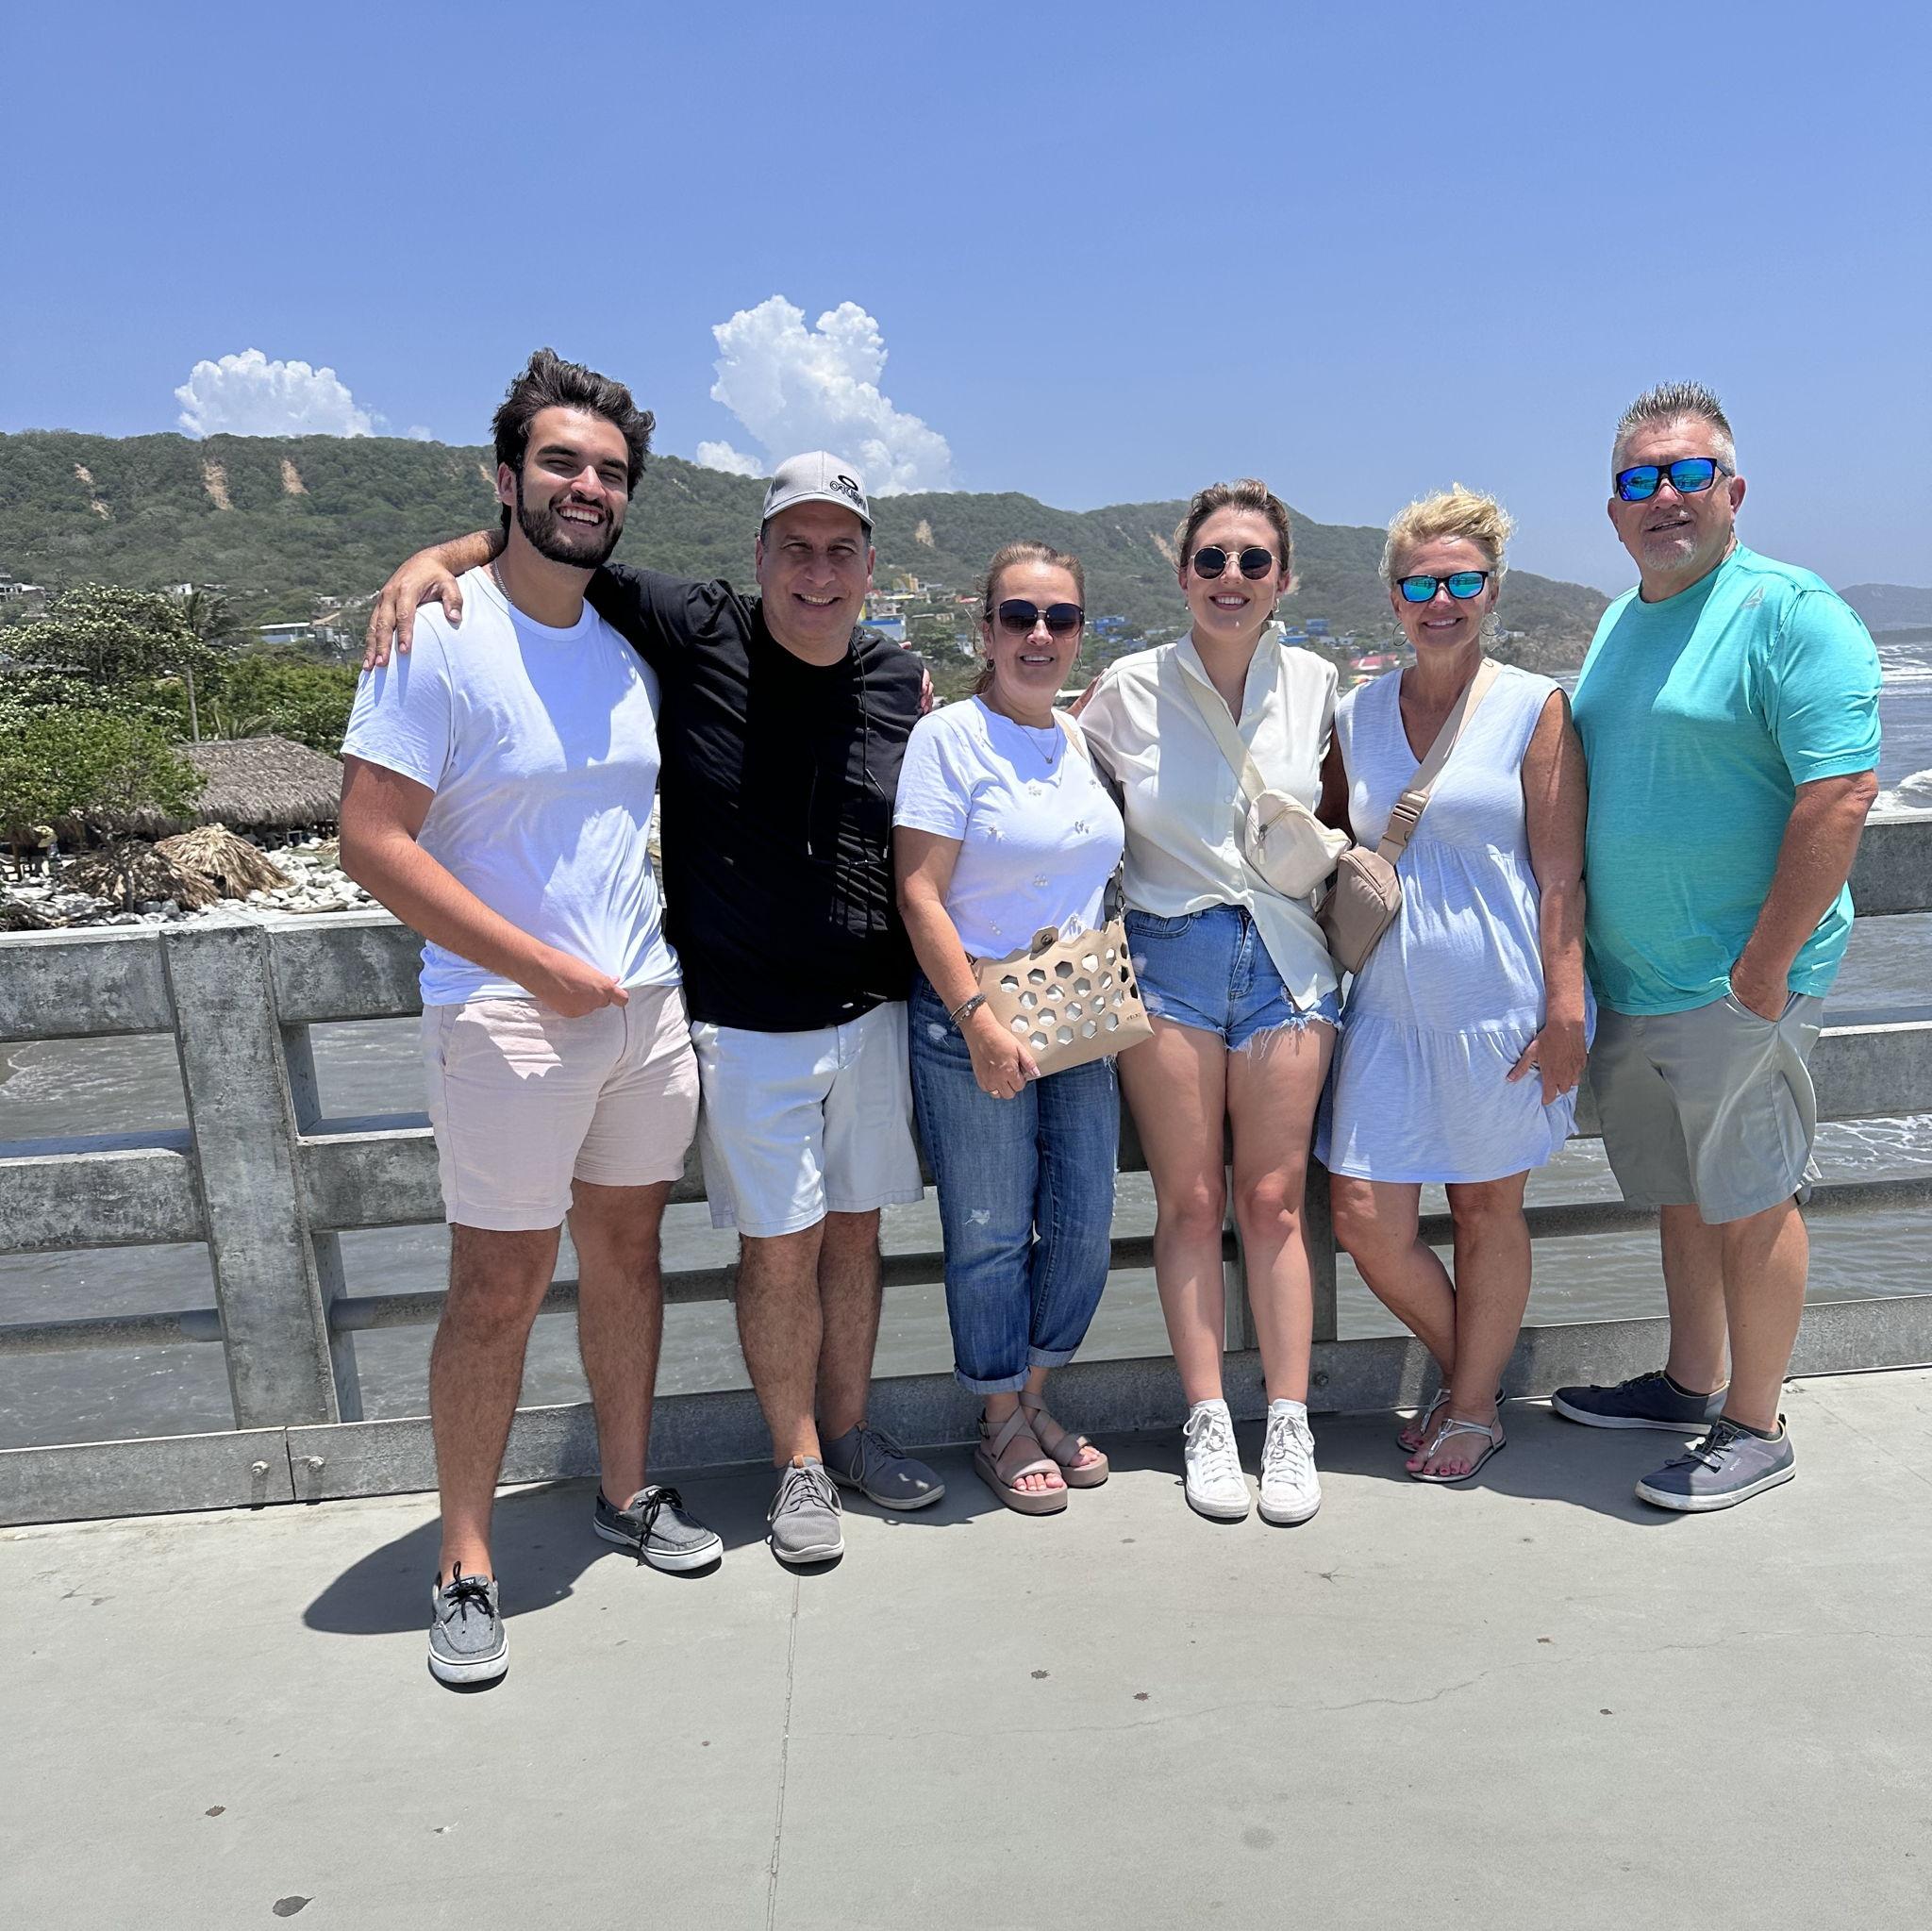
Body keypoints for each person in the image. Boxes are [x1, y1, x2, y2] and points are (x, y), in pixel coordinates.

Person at [363, 450, 945, 1568]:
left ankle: (851, 1429)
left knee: (855, 1232)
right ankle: (796, 1465)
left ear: (870, 567)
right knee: (778, 1245)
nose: (815, 572)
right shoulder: (694, 626)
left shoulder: (895, 678)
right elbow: (552, 544)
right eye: (794, 547)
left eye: (839, 551)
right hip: (738, 1017)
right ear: (757, 555)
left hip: (871, 1009)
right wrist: (430, 556)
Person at [340, 349, 722, 1689]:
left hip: (645, 1008)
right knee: (495, 1290)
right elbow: (371, 841)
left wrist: (607, 982)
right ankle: (465, 1556)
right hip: (505, 1017)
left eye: (610, 470)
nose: (587, 484)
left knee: (629, 1258)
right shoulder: (433, 632)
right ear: (506, 480)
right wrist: (537, 967)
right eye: (560, 462)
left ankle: (626, 1489)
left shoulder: (627, 649)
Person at [1553, 382, 1881, 1510]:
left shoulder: (1789, 611)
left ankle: (1754, 1419)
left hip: (1741, 982)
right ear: (1612, 510)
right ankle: (1688, 1382)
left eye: (1685, 474)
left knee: (1749, 1196)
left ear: (1730, 491)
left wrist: (1763, 962)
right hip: (1633, 978)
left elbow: (1840, 793)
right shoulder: (1612, 623)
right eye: (1638, 479)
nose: (1663, 497)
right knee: (1682, 1194)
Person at [1077, 480, 1340, 1524]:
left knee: (1272, 1204)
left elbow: (1343, 808)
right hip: (1168, 954)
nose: (1230, 578)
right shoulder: (1126, 689)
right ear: (1181, 572)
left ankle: (1286, 1416)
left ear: (1281, 579)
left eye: (1252, 561)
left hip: (1284, 958)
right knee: (1187, 1202)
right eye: (1212, 559)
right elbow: (1055, 795)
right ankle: (1205, 1417)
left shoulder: (1317, 683)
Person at [1317, 487, 1591, 1481]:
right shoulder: (1355, 711)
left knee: (1485, 1212)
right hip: (1385, 1010)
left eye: (1461, 581)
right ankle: (1469, 1368)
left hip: (1498, 1004)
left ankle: (1471, 1406)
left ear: (1490, 590)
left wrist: (1563, 1006)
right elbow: (1321, 840)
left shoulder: (1531, 704)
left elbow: (1558, 871)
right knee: (1361, 1214)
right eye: (1421, 583)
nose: (1441, 600)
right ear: (1392, 598)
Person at [895, 542, 1125, 1513]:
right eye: (1019, 617)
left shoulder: (1078, 741)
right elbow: (918, 889)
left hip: (1077, 1005)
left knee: (1084, 1223)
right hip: (976, 1015)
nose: (1040, 635)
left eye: (1060, 619)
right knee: (989, 1230)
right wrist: (977, 1018)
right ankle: (997, 1416)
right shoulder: (947, 738)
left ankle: (1034, 1394)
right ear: (983, 630)